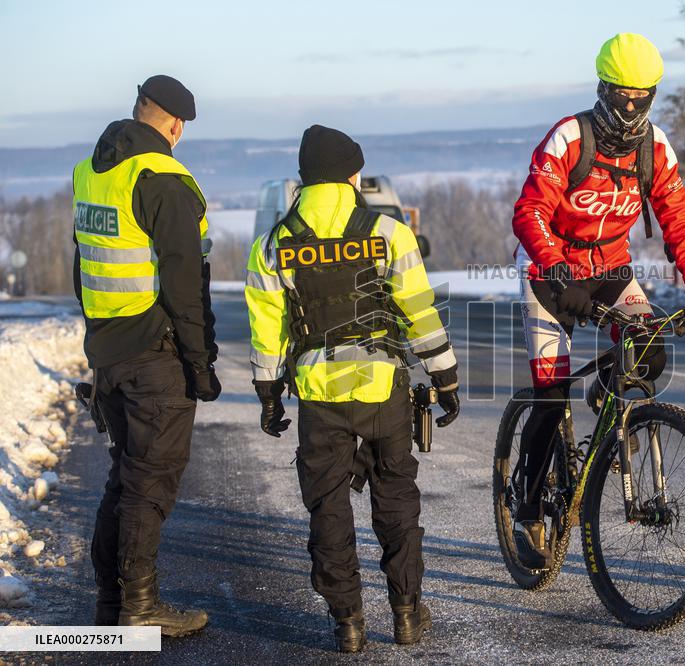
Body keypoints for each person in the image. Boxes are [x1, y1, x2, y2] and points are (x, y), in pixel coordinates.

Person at [510, 33, 685, 569]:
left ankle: (605, 407)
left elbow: (678, 222)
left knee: (647, 351)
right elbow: (529, 211)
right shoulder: (569, 136)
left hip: (609, 267)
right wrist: (560, 273)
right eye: (621, 96)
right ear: (603, 88)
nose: (631, 108)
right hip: (549, 271)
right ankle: (529, 512)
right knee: (550, 392)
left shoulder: (656, 149)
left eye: (642, 98)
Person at [244, 125, 460, 653]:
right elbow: (418, 312)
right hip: (383, 386)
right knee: (396, 501)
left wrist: (269, 394)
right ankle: (407, 613)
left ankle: (348, 623)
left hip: (319, 394)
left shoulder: (273, 245)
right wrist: (445, 376)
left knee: (329, 508)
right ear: (352, 174)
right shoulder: (388, 232)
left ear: (304, 177)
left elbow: (269, 330)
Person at [72, 75, 220, 635]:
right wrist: (200, 362)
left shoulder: (92, 172)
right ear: (176, 124)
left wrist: (95, 338)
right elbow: (185, 282)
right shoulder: (163, 176)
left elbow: (82, 266)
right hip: (157, 356)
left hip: (109, 348)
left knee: (125, 476)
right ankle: (138, 606)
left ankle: (112, 604)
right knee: (149, 482)